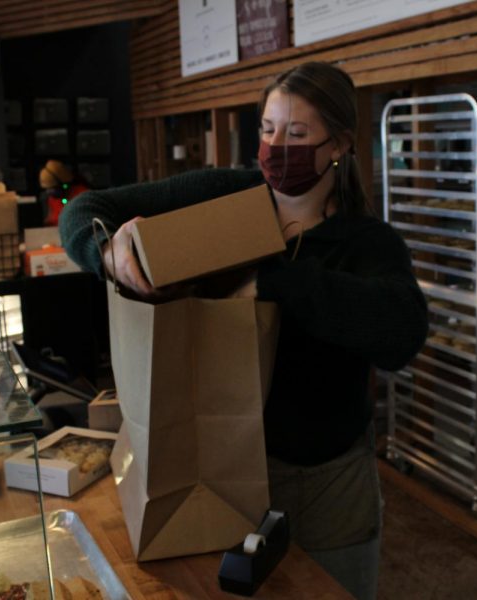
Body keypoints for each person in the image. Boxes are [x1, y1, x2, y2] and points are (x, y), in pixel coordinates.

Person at [59, 62, 428, 599]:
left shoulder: (367, 244)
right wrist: (105, 251)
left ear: (339, 146)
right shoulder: (224, 198)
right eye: (268, 129)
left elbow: (403, 333)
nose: (277, 146)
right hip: (209, 469)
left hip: (328, 484)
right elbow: (89, 209)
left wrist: (274, 280)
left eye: (298, 134)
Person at [39, 159, 90, 226]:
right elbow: (51, 219)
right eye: (48, 189)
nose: (49, 192)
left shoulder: (83, 195)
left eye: (53, 188)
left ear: (64, 185)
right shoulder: (52, 199)